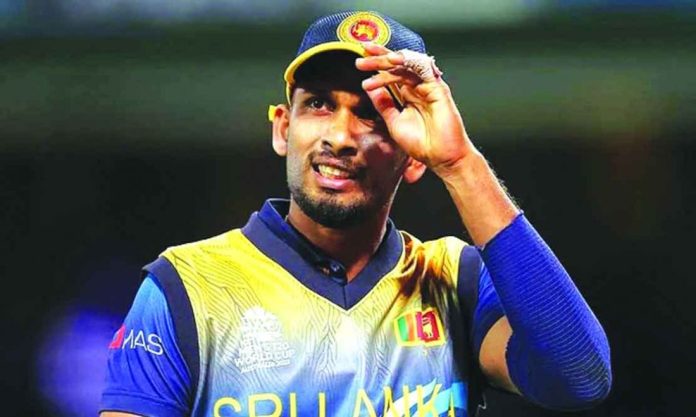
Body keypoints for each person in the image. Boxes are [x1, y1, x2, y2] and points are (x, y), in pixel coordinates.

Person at [99, 10, 611, 417]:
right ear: (283, 128)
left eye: (373, 114)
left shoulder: (454, 282)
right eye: (319, 104)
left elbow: (579, 377)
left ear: (414, 156)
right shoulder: (186, 286)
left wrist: (459, 164)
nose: (341, 137)